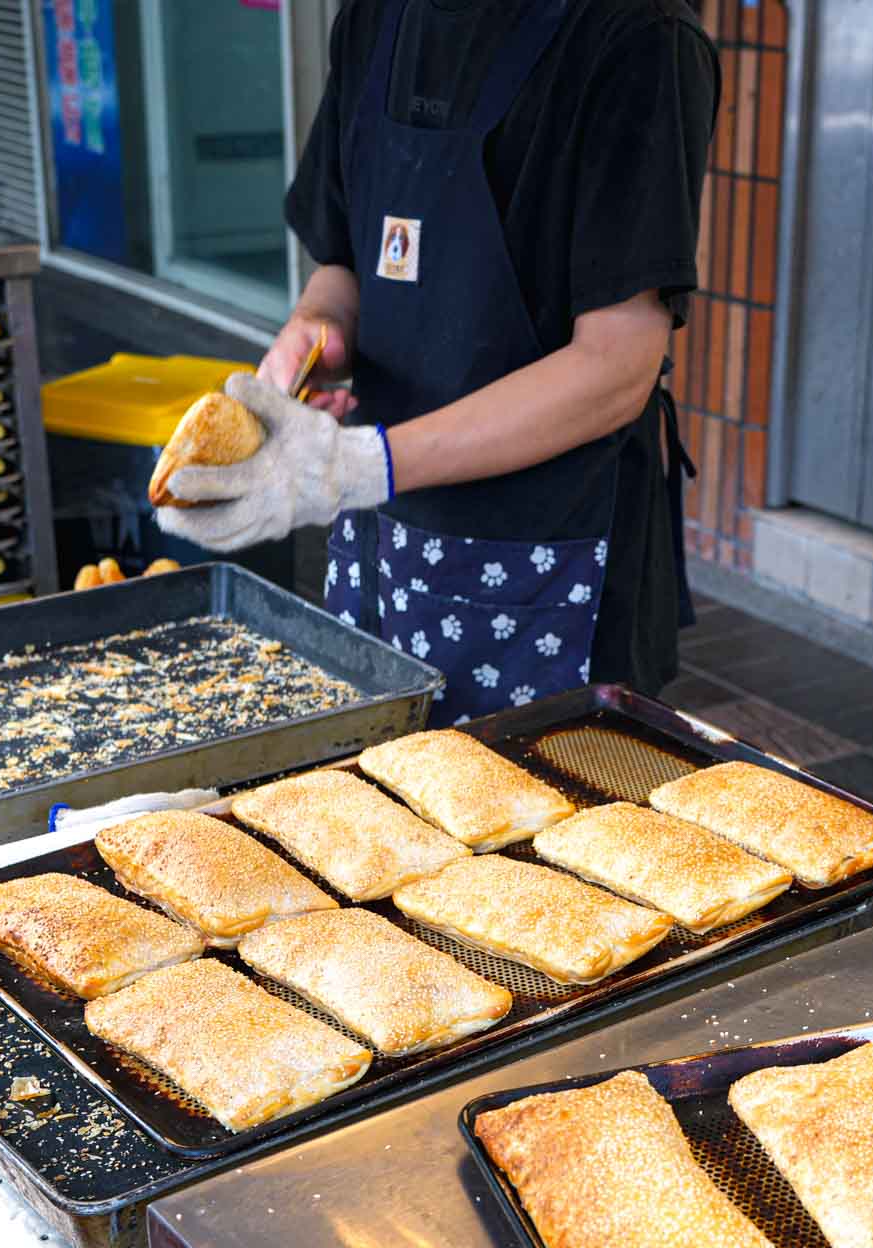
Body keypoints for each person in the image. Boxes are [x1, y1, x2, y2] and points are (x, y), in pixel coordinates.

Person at [157, 0, 719, 723]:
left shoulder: (638, 36)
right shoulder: (375, 17)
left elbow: (616, 368)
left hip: (549, 568)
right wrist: (316, 333)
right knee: (373, 776)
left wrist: (359, 464)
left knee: (528, 794)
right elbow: (343, 265)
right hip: (379, 541)